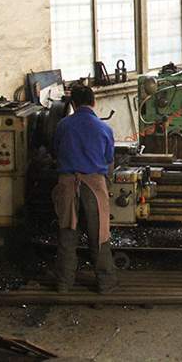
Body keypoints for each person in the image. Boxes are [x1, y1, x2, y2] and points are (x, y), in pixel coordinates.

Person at [52, 84, 118, 293]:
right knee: (99, 236)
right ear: (94, 102)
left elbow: (56, 151)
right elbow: (109, 159)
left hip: (67, 185)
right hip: (94, 186)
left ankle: (63, 283)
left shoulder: (63, 125)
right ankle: (105, 284)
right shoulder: (104, 129)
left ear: (73, 103)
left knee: (67, 233)